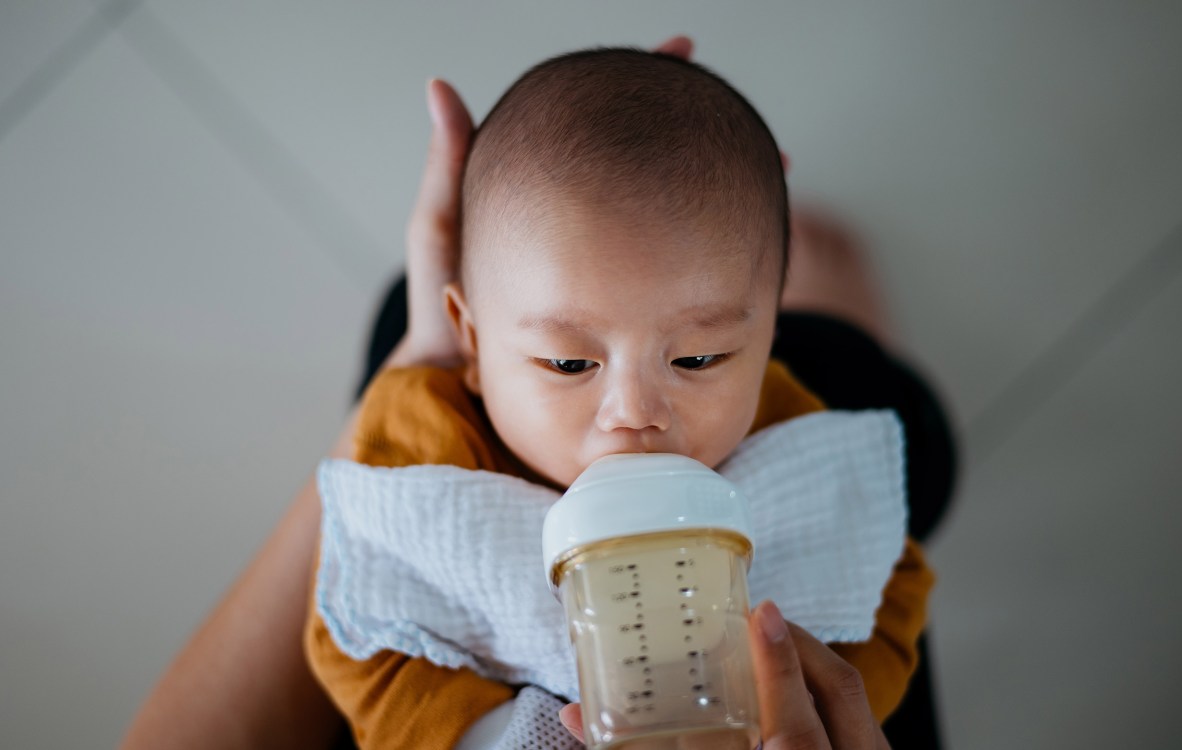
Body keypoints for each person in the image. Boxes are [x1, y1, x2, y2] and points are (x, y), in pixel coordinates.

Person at [120, 36, 955, 750]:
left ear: (767, 340)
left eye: (700, 358)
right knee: (888, 403)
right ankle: (841, 318)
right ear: (472, 345)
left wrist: (790, 701)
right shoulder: (426, 451)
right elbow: (363, 639)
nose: (636, 411)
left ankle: (823, 318)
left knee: (858, 397)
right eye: (568, 364)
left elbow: (883, 589)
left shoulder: (783, 427)